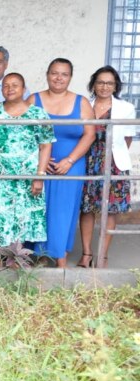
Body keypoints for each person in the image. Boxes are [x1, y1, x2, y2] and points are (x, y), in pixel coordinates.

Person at [0, 73, 55, 260]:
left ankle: (14, 261)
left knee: (19, 218)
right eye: (6, 85)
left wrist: (40, 175)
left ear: (24, 89)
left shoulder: (38, 114)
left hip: (23, 178)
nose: (10, 89)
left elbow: (46, 145)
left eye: (15, 85)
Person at [29, 58, 95, 268]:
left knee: (63, 211)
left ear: (70, 77)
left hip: (71, 165)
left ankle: (60, 258)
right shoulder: (33, 99)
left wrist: (70, 160)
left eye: (64, 74)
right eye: (54, 73)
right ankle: (39, 255)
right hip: (40, 165)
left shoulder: (81, 102)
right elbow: (24, 133)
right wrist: (39, 159)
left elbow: (90, 134)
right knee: (39, 209)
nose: (59, 78)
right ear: (47, 74)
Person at [79, 66, 136, 267]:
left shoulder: (126, 108)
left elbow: (127, 138)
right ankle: (86, 254)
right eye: (101, 82)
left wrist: (109, 158)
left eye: (109, 83)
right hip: (87, 162)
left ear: (115, 86)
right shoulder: (85, 105)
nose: (104, 87)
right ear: (93, 84)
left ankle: (102, 255)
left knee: (111, 209)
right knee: (86, 208)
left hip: (114, 164)